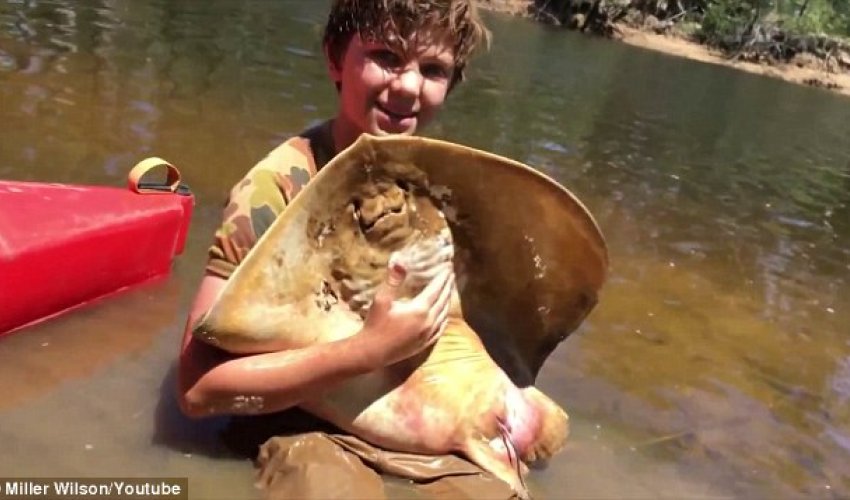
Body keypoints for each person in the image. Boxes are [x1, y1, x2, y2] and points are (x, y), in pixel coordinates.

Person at [177, 0, 490, 419]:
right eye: (386, 57)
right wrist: (367, 351)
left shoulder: (441, 187)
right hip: (290, 421)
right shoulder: (275, 189)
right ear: (334, 58)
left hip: (401, 408)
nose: (409, 87)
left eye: (433, 70)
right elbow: (196, 391)